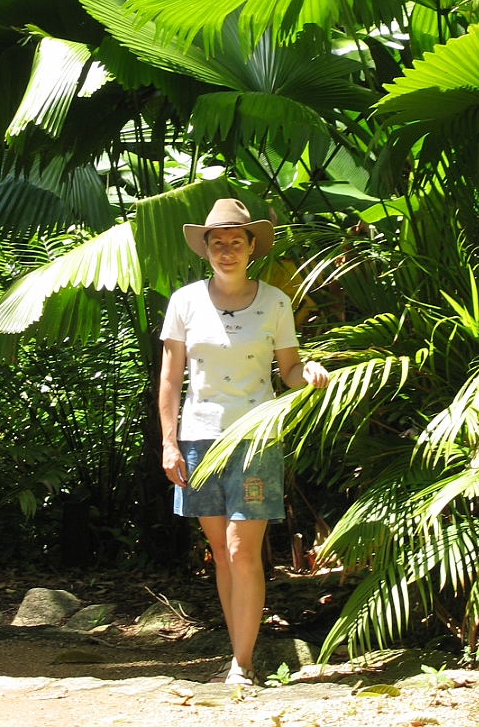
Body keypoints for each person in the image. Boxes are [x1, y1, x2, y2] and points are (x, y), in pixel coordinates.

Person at [158, 198, 329, 687]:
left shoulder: (275, 301)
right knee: (220, 548)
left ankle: (243, 663)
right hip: (198, 438)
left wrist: (309, 374)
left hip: (255, 437)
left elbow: (289, 370)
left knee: (241, 549)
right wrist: (169, 443)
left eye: (236, 241)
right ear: (205, 248)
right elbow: (170, 380)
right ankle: (239, 657)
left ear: (252, 246)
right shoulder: (185, 301)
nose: (227, 250)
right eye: (218, 242)